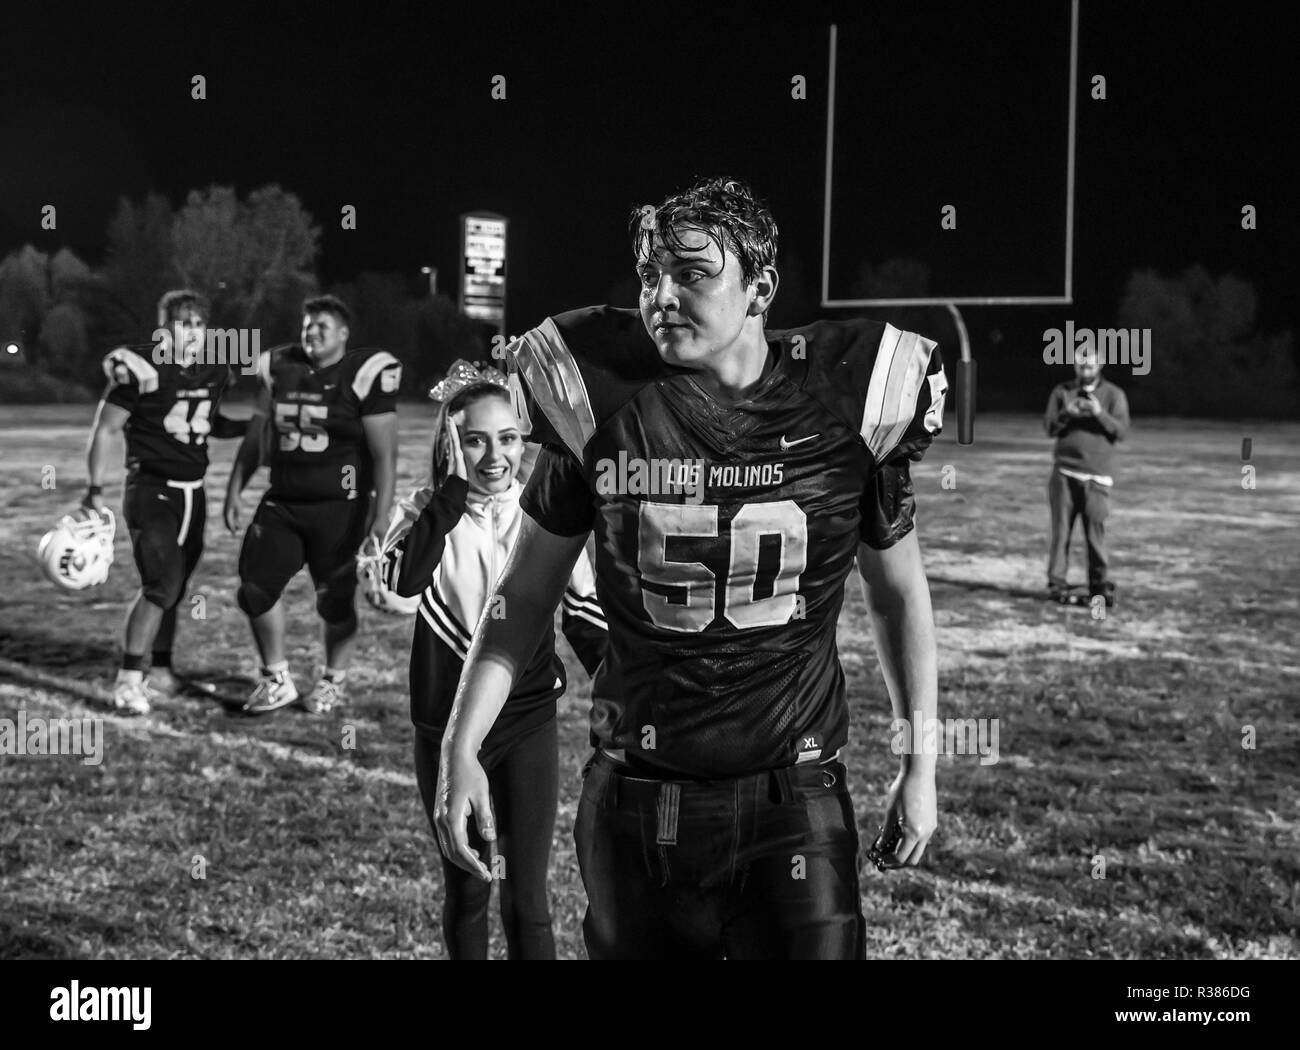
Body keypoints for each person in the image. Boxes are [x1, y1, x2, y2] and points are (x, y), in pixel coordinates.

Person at [434, 176, 946, 960]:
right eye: (649, 276)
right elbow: (525, 596)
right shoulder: (601, 407)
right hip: (641, 798)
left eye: (692, 274)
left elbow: (900, 596)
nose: (662, 296)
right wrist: (461, 744)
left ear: (760, 289)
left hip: (795, 797)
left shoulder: (848, 403)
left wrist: (921, 764)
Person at [380, 360, 605, 959]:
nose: (494, 455)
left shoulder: (544, 516)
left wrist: (624, 685)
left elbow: (586, 614)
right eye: (475, 439)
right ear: (450, 443)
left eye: (507, 438)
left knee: (528, 901)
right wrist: (449, 494)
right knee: (468, 890)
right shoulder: (423, 512)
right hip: (445, 731)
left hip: (528, 722)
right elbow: (398, 582)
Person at [223, 295, 400, 714]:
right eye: (307, 324)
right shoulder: (279, 366)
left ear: (343, 333)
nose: (312, 331)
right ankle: (276, 678)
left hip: (341, 507)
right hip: (283, 501)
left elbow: (384, 454)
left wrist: (382, 514)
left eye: (322, 325)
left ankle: (331, 680)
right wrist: (235, 486)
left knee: (335, 601)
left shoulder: (362, 374)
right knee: (254, 589)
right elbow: (257, 433)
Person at [85, 290, 246, 714]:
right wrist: (94, 489)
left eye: (197, 323)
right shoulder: (139, 366)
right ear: (164, 328)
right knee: (161, 584)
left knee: (174, 589)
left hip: (194, 492)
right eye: (181, 323)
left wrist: (255, 427)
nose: (190, 332)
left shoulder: (213, 370)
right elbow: (106, 429)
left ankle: (159, 670)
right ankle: (127, 679)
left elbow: (208, 423)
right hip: (151, 487)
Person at [1044, 349, 1130, 606]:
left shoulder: (1114, 395)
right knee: (1060, 533)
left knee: (1095, 534)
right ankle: (1056, 582)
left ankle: (1099, 583)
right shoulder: (1062, 392)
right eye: (1081, 366)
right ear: (1074, 365)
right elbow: (1049, 428)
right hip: (1064, 474)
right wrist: (1067, 412)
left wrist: (1098, 413)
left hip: (1097, 477)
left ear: (1100, 365)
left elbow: (1121, 432)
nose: (1085, 371)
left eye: (1090, 366)